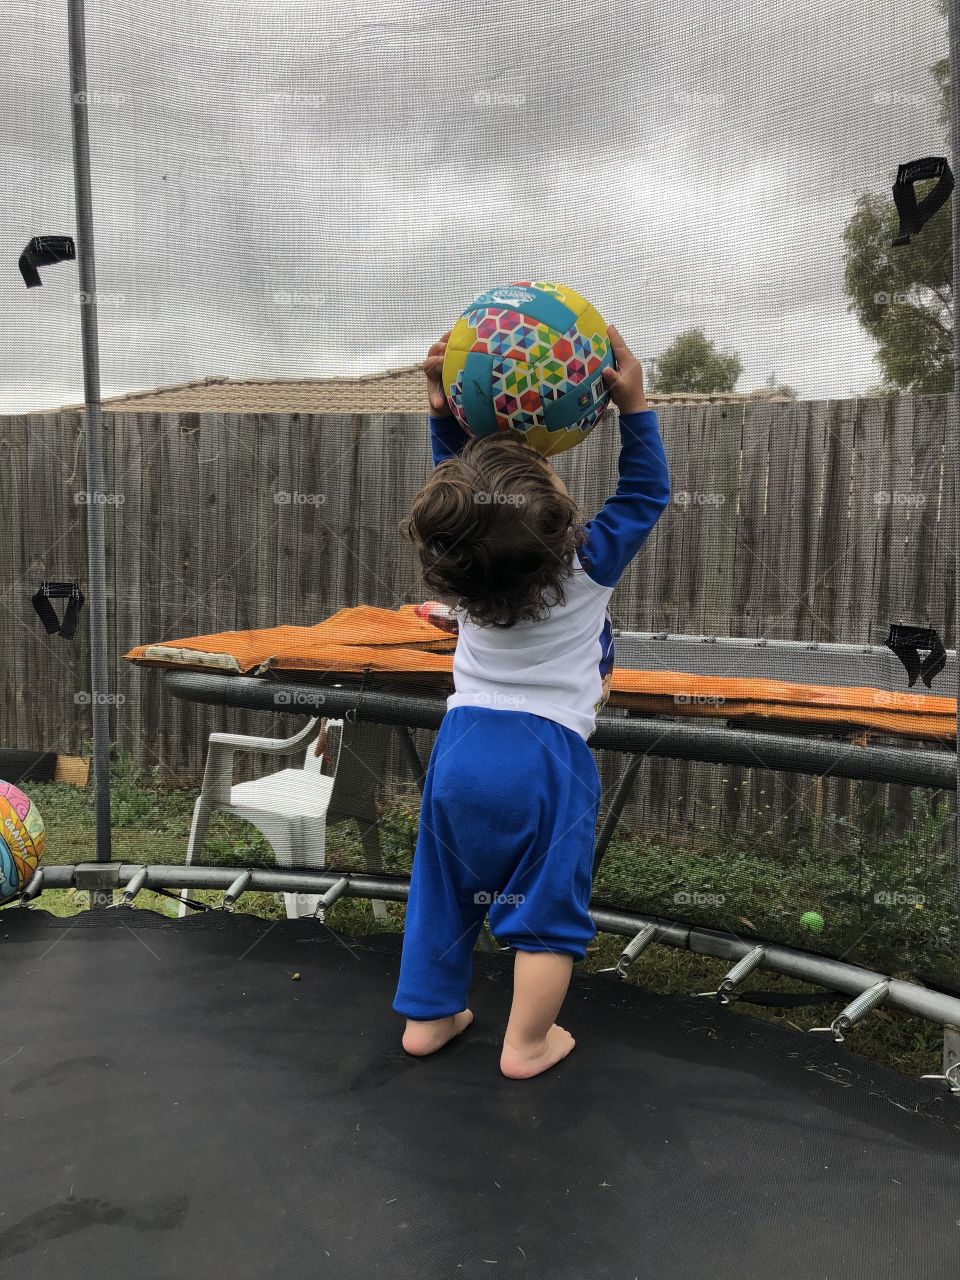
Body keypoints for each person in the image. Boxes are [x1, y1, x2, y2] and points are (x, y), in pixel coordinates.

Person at [393, 323, 670, 1078]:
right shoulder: (585, 565)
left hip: (461, 752)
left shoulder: (462, 567)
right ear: (555, 522)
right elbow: (646, 494)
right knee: (546, 916)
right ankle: (525, 1044)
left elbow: (466, 509)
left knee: (443, 890)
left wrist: (443, 409)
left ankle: (428, 1019)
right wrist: (635, 407)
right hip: (547, 759)